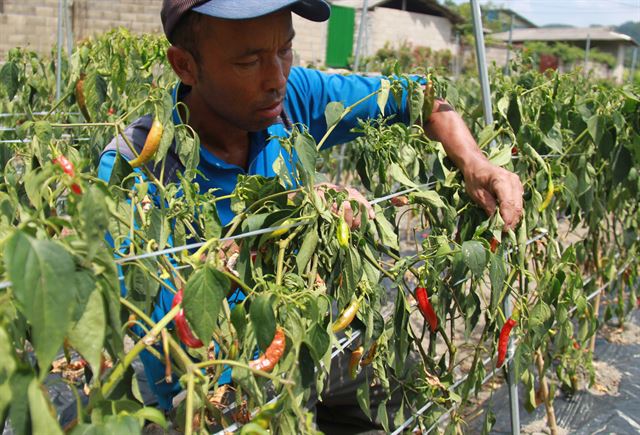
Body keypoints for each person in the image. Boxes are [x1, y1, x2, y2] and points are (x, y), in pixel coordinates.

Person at [99, 0, 524, 429]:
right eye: (248, 61)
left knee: (397, 396)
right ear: (185, 66)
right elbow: (173, 339)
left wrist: (475, 163)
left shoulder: (290, 98)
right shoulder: (136, 165)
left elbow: (422, 98)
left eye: (285, 50)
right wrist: (294, 214)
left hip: (314, 338)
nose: (276, 78)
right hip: (223, 381)